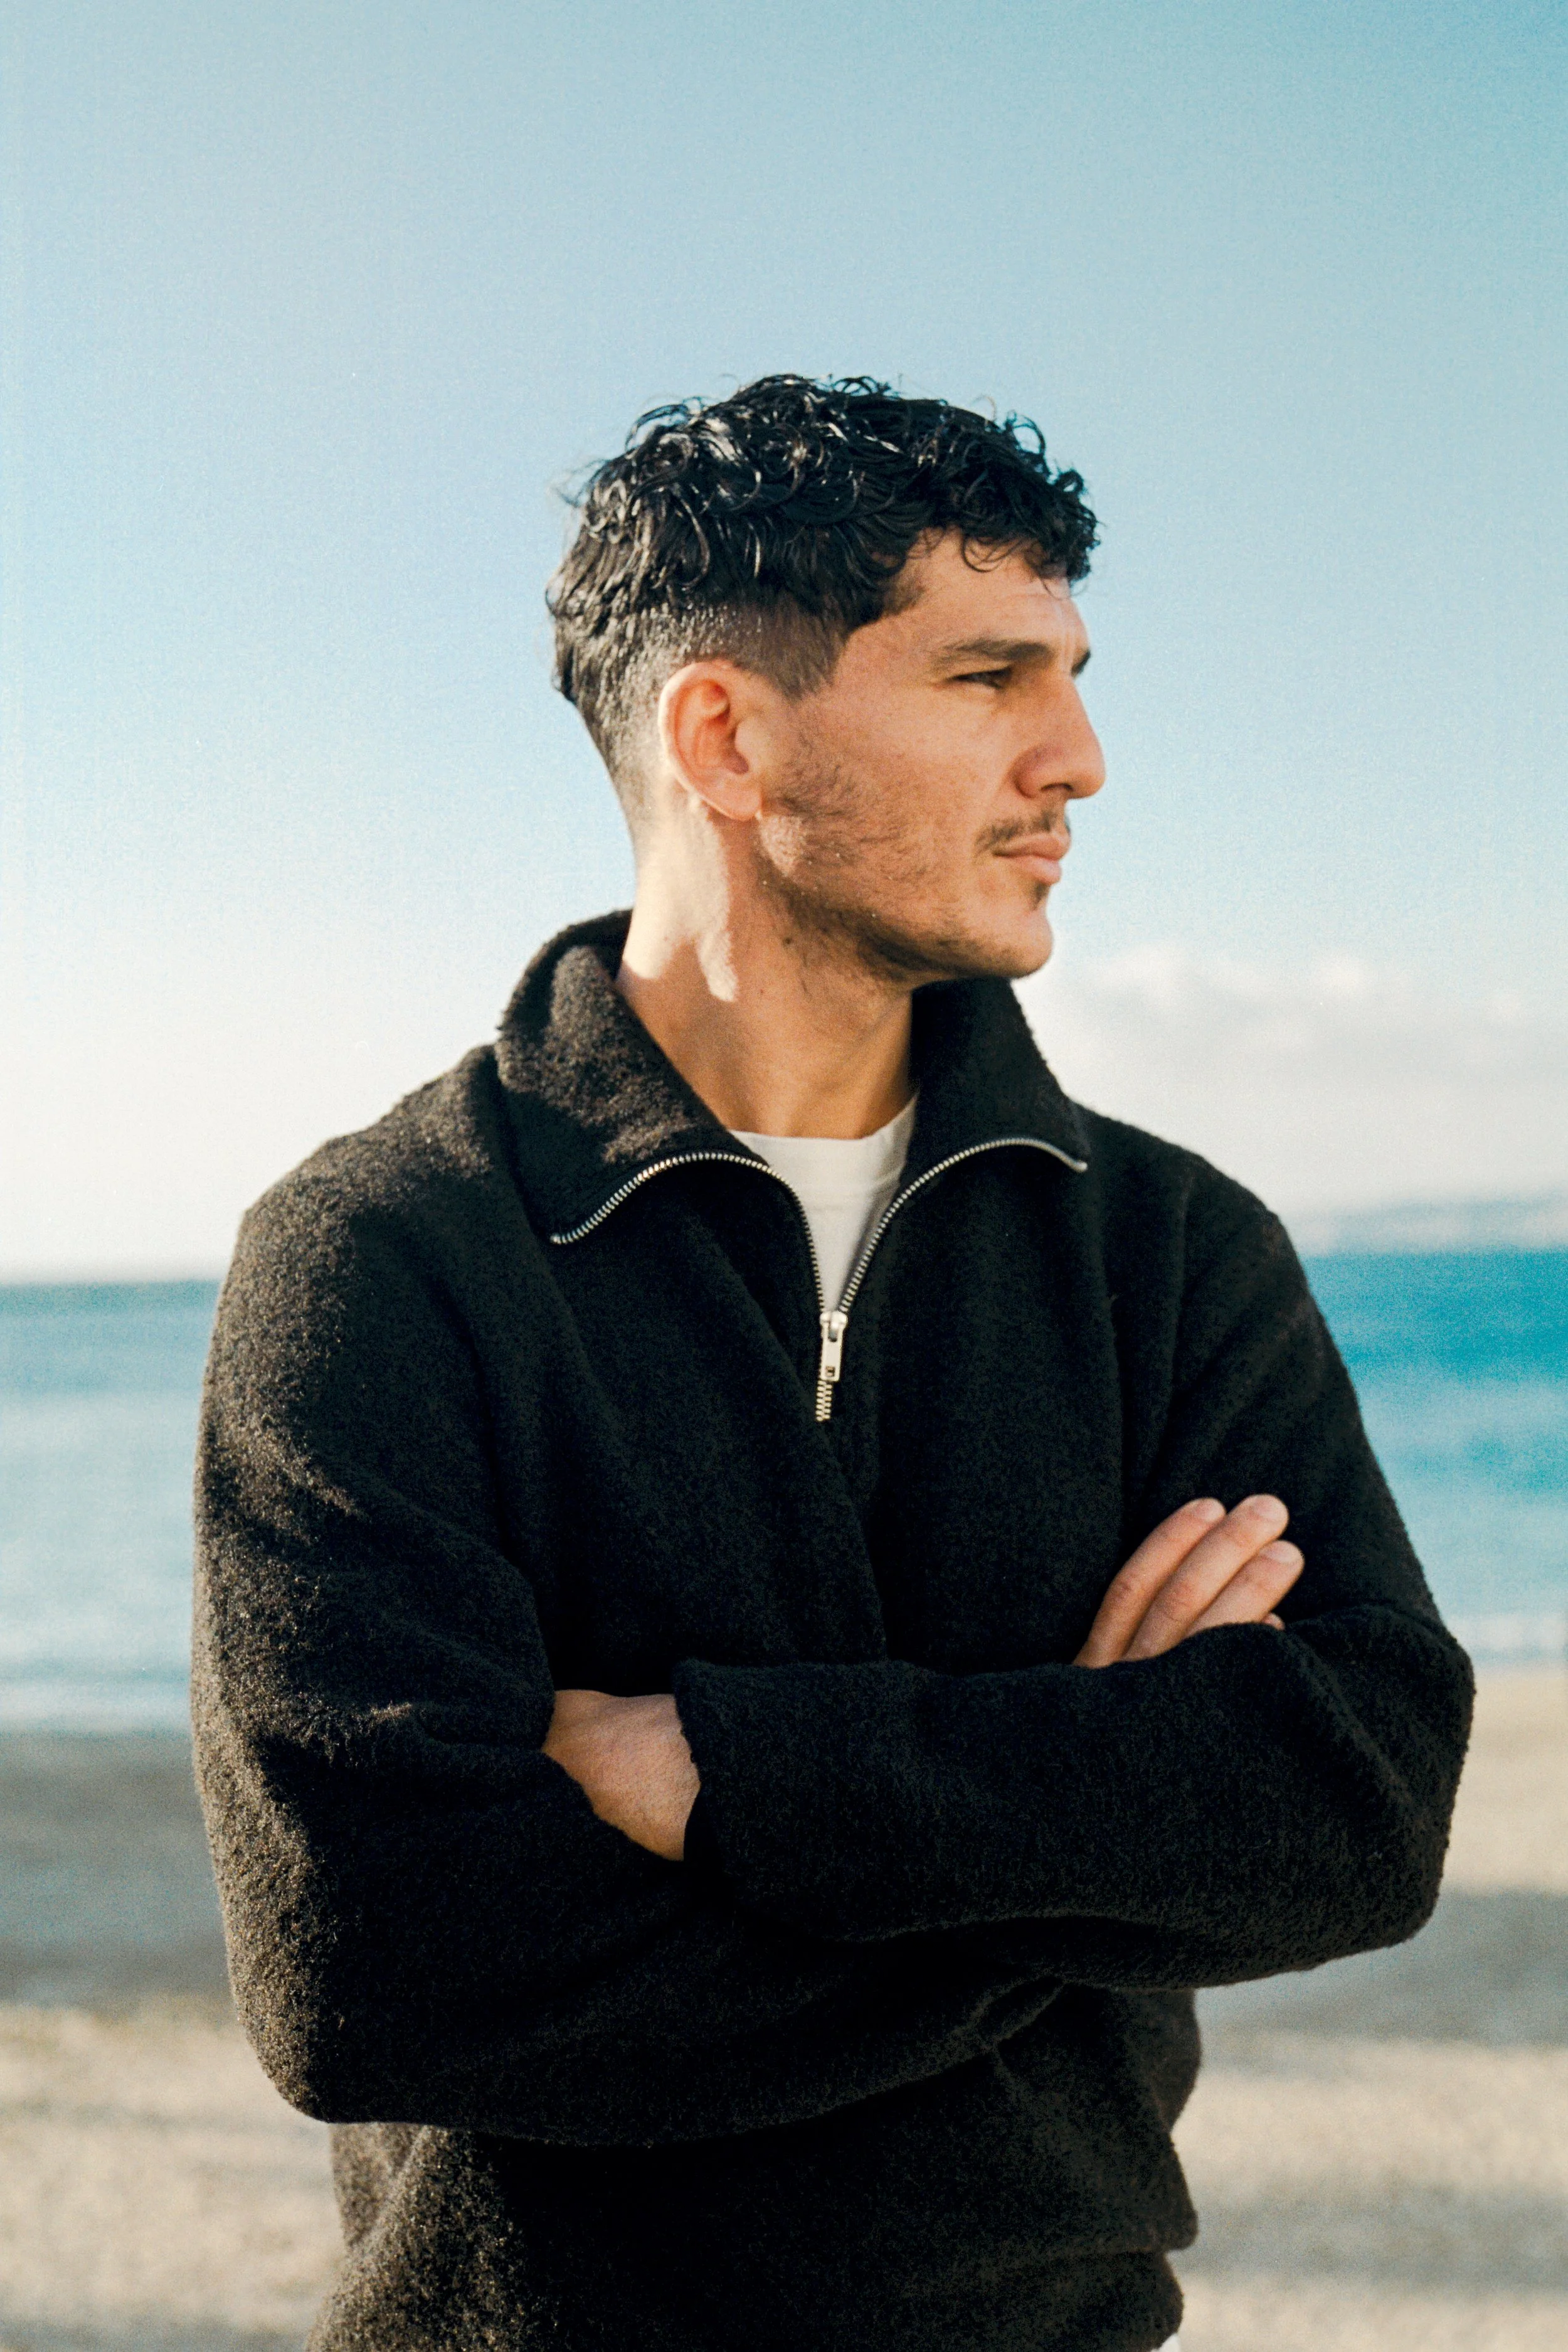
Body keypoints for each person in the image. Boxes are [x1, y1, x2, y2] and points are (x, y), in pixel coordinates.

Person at [193, 375, 1472, 2352]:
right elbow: (377, 1969)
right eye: (985, 677)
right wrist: (1077, 1798)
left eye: (1070, 674)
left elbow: (1352, 1813)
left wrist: (730, 1769)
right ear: (721, 730)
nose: (1082, 759)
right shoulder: (383, 1256)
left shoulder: (1167, 1249)